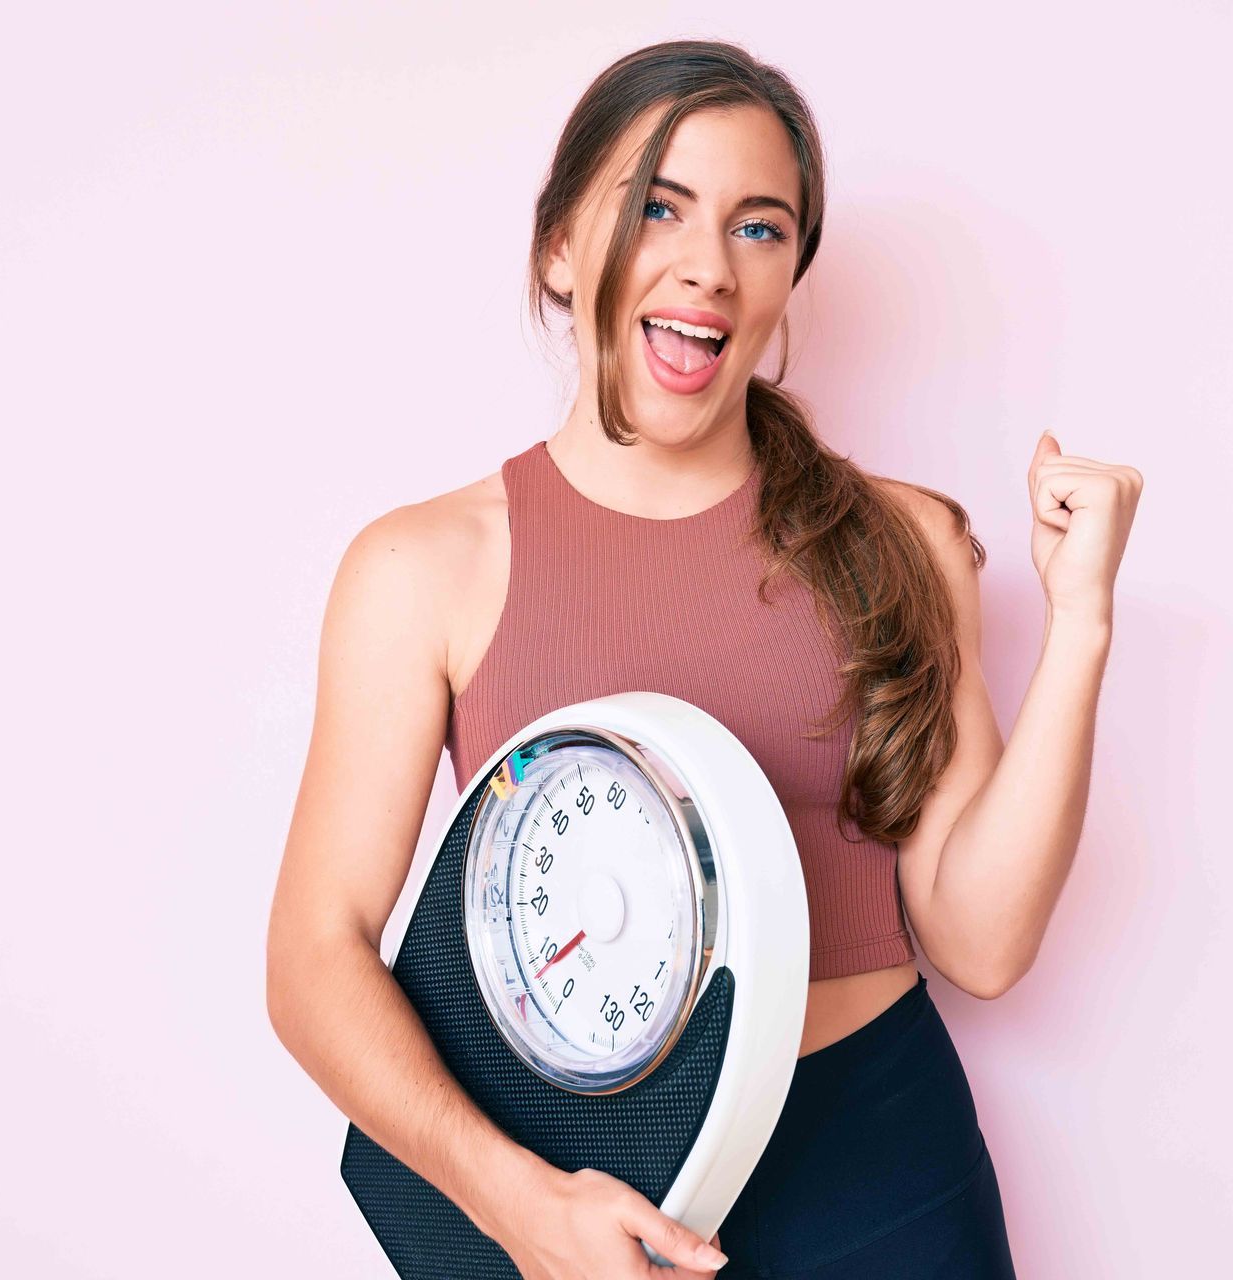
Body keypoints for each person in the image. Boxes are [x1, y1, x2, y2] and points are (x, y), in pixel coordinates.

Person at [266, 37, 1142, 1280]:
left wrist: (1083, 622)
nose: (707, 265)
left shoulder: (899, 541)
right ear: (561, 247)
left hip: (884, 1171)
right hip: (584, 1187)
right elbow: (313, 957)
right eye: (657, 205)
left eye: (760, 227)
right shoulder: (423, 569)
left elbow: (982, 939)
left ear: (792, 278)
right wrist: (517, 1203)